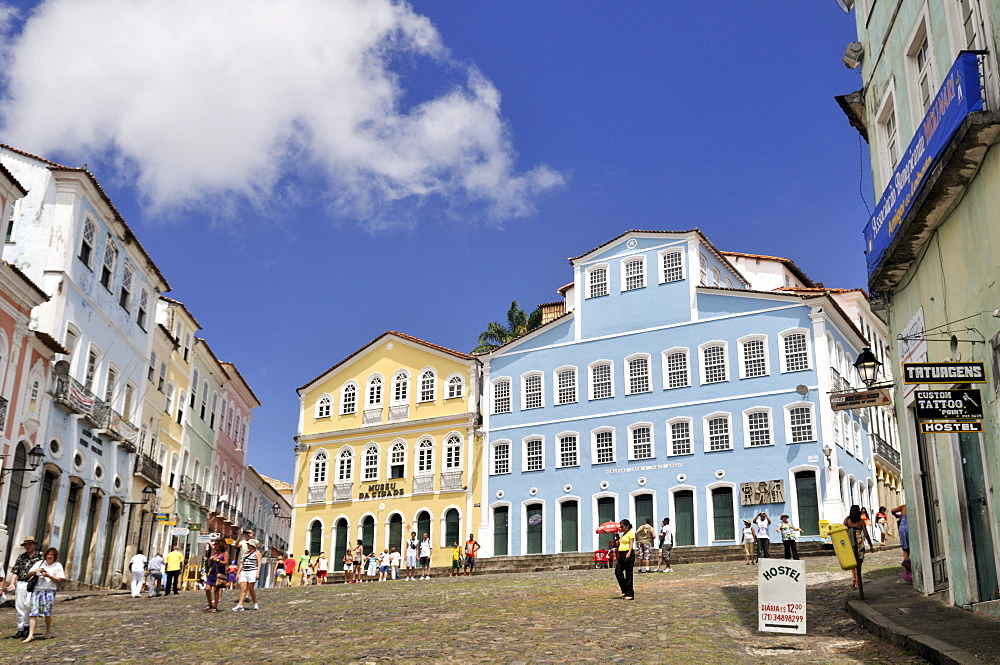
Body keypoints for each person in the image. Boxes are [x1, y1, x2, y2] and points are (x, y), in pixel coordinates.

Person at [22, 547, 65, 643]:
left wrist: (49, 575)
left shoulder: (58, 566)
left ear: (55, 556)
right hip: (37, 590)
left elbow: (59, 579)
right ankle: (30, 635)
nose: (49, 556)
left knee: (47, 612)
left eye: (51, 555)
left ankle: (48, 631)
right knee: (33, 612)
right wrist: (35, 571)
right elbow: (28, 574)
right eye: (48, 554)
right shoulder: (40, 563)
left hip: (49, 591)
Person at [6, 536, 43, 639]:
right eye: (26, 544)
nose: (28, 546)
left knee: (28, 605)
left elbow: (42, 571)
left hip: (33, 585)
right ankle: (20, 628)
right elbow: (15, 571)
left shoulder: (39, 558)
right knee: (19, 606)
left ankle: (27, 626)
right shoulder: (21, 557)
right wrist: (12, 583)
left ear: (34, 545)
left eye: (30, 544)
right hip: (22, 583)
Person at [844, 504, 874, 589]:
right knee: (859, 562)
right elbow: (866, 534)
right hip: (859, 542)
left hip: (850, 541)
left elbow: (843, 531)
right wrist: (871, 545)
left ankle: (854, 578)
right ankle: (857, 580)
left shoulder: (847, 520)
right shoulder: (861, 522)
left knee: (852, 561)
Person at [233, 539, 261, 611]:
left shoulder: (257, 553)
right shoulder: (245, 553)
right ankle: (240, 605)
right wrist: (238, 573)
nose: (247, 545)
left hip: (252, 571)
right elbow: (242, 563)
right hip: (244, 571)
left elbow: (259, 563)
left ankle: (255, 603)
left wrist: (258, 573)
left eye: (248, 544)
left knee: (250, 588)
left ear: (252, 545)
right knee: (242, 588)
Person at [204, 540, 229, 612]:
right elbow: (211, 545)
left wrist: (217, 560)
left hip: (219, 573)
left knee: (216, 590)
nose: (215, 546)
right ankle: (209, 604)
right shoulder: (215, 553)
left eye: (217, 544)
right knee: (207, 588)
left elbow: (225, 563)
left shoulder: (225, 553)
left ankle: (215, 606)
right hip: (212, 572)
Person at [614, 519, 635, 600]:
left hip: (627, 554)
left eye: (622, 527)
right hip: (621, 554)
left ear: (627, 526)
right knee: (618, 572)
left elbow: (631, 544)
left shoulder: (630, 533)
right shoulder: (623, 535)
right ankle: (624, 589)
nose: (621, 528)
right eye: (620, 527)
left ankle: (630, 593)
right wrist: (617, 541)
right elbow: (619, 544)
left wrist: (629, 552)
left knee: (628, 573)